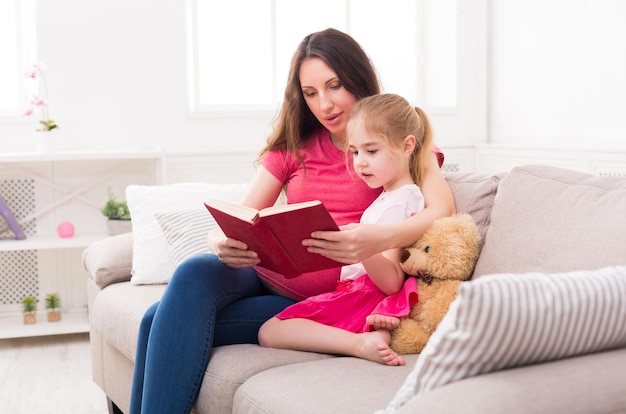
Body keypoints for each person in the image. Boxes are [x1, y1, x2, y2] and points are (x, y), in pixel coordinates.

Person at [129, 28, 455, 414]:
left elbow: (441, 210)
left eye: (335, 86)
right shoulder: (293, 147)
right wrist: (221, 241)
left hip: (324, 298)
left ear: (357, 79)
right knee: (194, 272)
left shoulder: (395, 140)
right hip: (264, 274)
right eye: (311, 92)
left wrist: (372, 239)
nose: (325, 104)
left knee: (155, 319)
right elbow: (241, 214)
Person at [258, 93, 432, 366]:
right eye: (354, 151)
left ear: (407, 145)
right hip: (355, 291)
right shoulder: (390, 196)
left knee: (269, 331)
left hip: (363, 294)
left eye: (371, 151)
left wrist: (360, 246)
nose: (360, 162)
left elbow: (391, 282)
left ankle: (359, 343)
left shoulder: (400, 202)